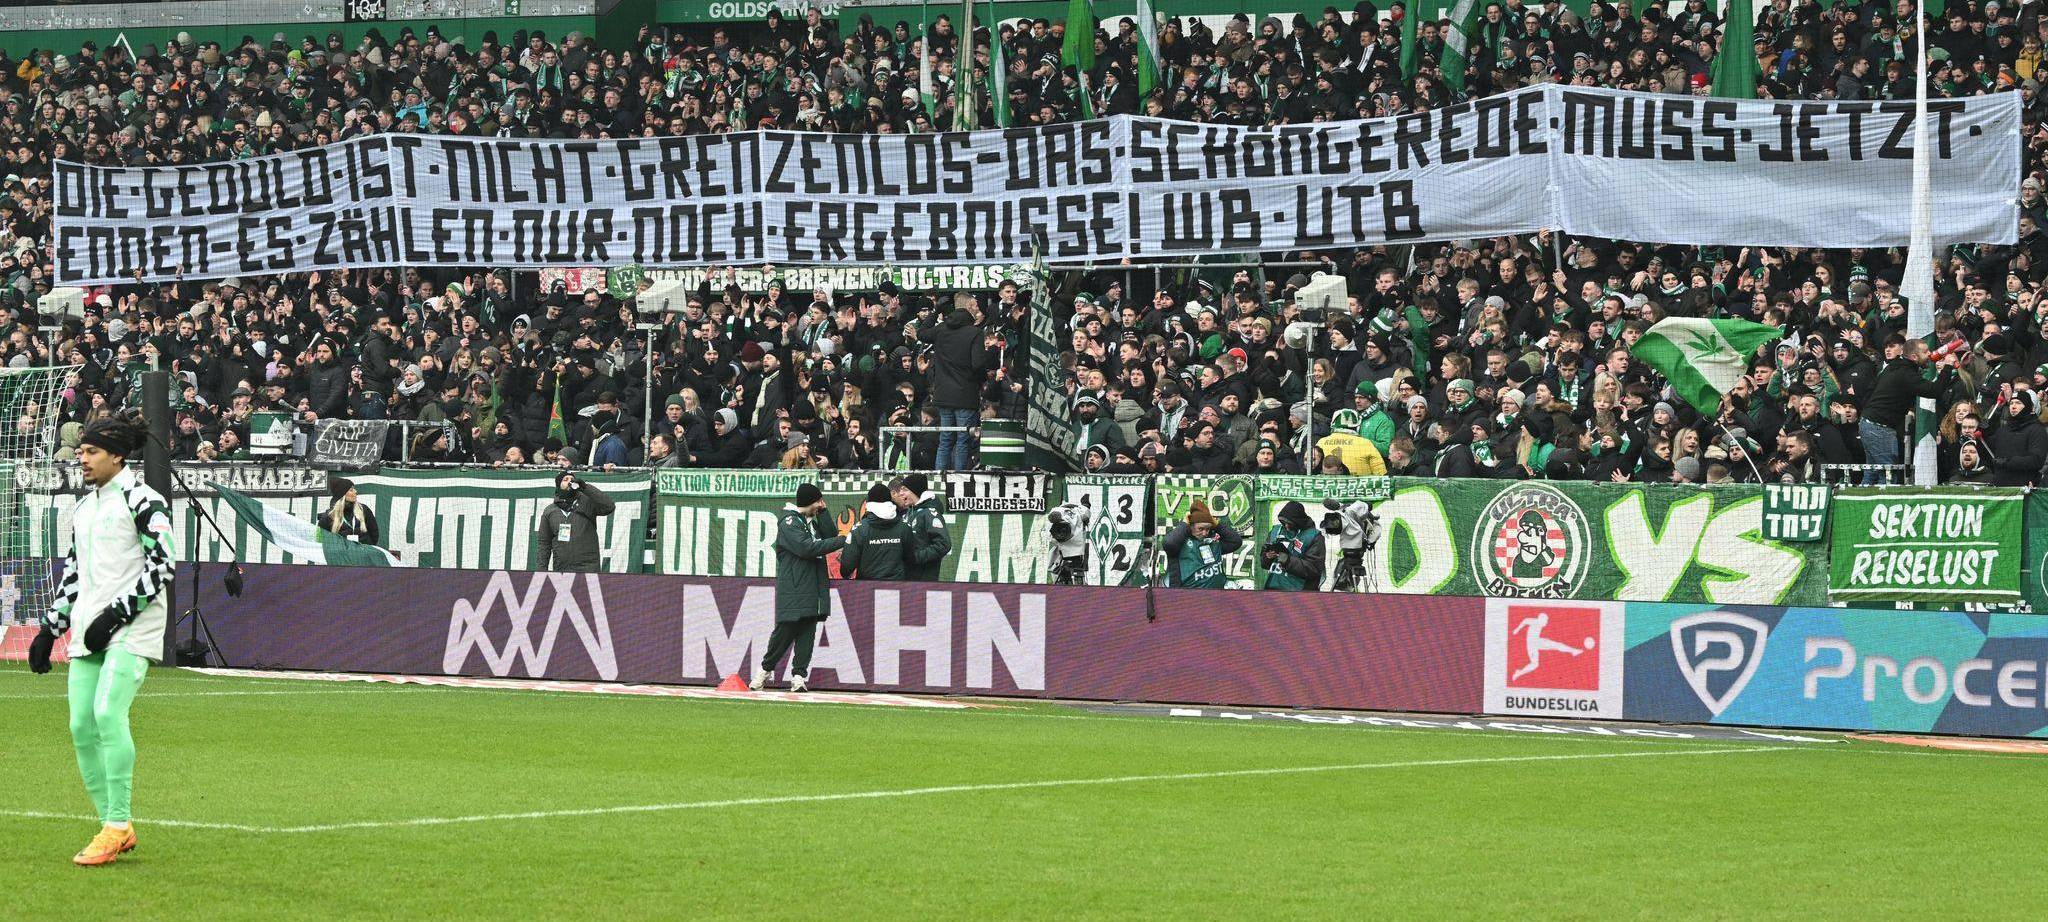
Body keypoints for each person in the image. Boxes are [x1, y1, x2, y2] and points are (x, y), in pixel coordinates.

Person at [25, 412, 173, 867]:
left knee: (108, 713)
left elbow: (163, 564)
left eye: (91, 452)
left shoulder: (145, 500)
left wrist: (116, 613)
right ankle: (116, 825)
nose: (82, 459)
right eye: (82, 451)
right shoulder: (85, 508)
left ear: (118, 456)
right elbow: (74, 573)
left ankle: (115, 825)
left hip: (131, 626)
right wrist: (50, 628)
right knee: (80, 727)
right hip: (89, 627)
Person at [753, 482, 844, 692]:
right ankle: (764, 670)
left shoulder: (812, 522)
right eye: (818, 501)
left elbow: (830, 536)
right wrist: (843, 540)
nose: (821, 504)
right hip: (794, 587)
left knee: (807, 633)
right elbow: (806, 548)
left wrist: (824, 512)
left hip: (813, 585)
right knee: (785, 631)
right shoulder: (790, 522)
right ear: (810, 501)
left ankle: (799, 676)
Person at [535, 472, 615, 572]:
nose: (570, 481)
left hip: (588, 567)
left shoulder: (587, 502)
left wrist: (585, 487)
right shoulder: (550, 511)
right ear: (558, 485)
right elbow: (544, 543)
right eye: (565, 479)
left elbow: (609, 506)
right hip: (562, 569)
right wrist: (541, 571)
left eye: (572, 479)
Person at [1159, 499, 1243, 589]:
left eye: (1208, 529)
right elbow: (1168, 543)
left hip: (1217, 594)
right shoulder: (1180, 542)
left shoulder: (1212, 541)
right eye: (1200, 529)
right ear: (1190, 526)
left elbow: (1236, 541)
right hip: (1188, 595)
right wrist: (1184, 523)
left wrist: (1217, 525)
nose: (1205, 533)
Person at [890, 473, 951, 582]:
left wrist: (916, 557)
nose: (901, 493)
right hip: (908, 577)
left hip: (924, 579)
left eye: (904, 489)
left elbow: (943, 544)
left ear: (914, 491)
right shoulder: (910, 512)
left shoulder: (929, 513)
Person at [841, 484, 908, 580]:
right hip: (897, 584)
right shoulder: (904, 526)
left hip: (867, 585)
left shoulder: (859, 529)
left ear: (869, 504)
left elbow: (848, 563)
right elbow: (911, 558)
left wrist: (845, 574)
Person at [1259, 501, 1325, 591]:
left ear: (1298, 521)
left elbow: (1314, 570)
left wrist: (1288, 561)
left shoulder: (1314, 536)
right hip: (1273, 588)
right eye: (1283, 522)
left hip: (1300, 592)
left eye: (1289, 523)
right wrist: (1267, 557)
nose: (1286, 526)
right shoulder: (1276, 531)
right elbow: (1263, 563)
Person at [318, 477, 380, 548]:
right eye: (351, 490)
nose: (355, 491)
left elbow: (374, 533)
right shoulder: (329, 516)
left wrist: (368, 548)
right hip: (342, 554)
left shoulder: (364, 509)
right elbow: (319, 538)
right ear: (342, 495)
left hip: (363, 552)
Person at [1044, 498, 1093, 585]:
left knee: (1058, 574)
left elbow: (1050, 536)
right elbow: (1086, 512)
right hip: (1071, 553)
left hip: (1064, 551)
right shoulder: (1078, 512)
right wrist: (1085, 505)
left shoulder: (1058, 510)